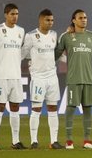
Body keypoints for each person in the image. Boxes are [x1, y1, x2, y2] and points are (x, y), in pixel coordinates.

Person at [55, 9, 92, 150]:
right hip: (73, 78)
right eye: (80, 18)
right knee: (71, 108)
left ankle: (87, 140)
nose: (84, 20)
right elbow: (56, 53)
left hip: (89, 78)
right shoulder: (66, 36)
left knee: (88, 109)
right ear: (74, 20)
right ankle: (69, 141)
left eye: (85, 17)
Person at [22, 9, 64, 149]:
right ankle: (34, 141)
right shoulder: (31, 36)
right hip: (38, 77)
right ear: (40, 20)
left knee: (53, 108)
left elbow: (56, 53)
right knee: (36, 109)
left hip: (52, 77)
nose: (50, 23)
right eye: (47, 20)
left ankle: (54, 141)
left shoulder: (53, 35)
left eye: (52, 20)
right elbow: (23, 54)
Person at [0, 3, 26, 149]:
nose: (15, 17)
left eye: (16, 14)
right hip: (1, 75)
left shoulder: (21, 31)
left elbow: (20, 52)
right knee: (0, 107)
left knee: (15, 107)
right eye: (12, 14)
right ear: (5, 15)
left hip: (16, 76)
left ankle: (15, 141)